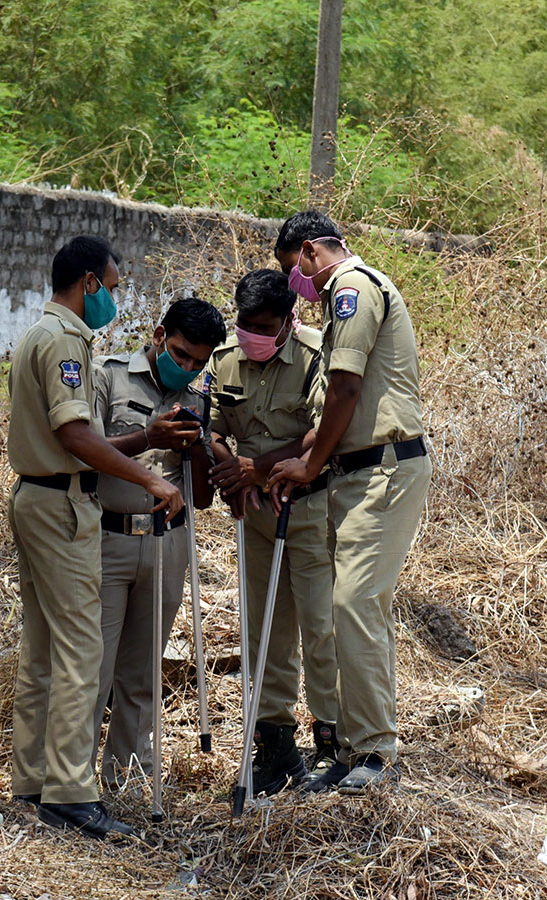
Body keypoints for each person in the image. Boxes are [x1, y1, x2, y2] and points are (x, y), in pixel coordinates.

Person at [7, 235, 184, 840]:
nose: (114, 296)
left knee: (41, 654)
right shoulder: (67, 342)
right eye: (111, 284)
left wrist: (141, 449)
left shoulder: (39, 333)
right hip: (63, 506)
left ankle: (32, 778)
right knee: (82, 654)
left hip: (36, 497)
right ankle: (71, 792)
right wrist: (152, 482)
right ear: (87, 283)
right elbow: (78, 436)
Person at [266, 211, 432, 795]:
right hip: (357, 473)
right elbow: (329, 414)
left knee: (354, 603)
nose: (297, 288)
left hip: (381, 470)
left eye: (294, 272)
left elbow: (346, 388)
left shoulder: (353, 288)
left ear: (310, 251)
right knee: (357, 609)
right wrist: (297, 463)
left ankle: (373, 752)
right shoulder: (350, 293)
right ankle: (357, 748)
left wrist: (310, 465)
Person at [204, 268, 340, 796]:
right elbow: (209, 426)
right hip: (254, 517)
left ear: (287, 322)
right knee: (265, 633)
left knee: (321, 628)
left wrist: (256, 466)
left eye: (263, 325)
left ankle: (334, 744)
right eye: (244, 323)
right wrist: (233, 474)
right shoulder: (224, 359)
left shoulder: (312, 358)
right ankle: (276, 748)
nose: (251, 333)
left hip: (306, 513)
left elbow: (320, 431)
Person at [91, 297, 226, 786]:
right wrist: (149, 437)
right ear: (158, 334)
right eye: (179, 352)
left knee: (143, 672)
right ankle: (73, 781)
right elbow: (87, 452)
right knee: (94, 669)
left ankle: (126, 777)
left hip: (168, 543)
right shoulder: (107, 377)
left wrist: (196, 449)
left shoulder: (196, 399)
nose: (186, 366)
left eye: (198, 361)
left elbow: (204, 497)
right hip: (109, 538)